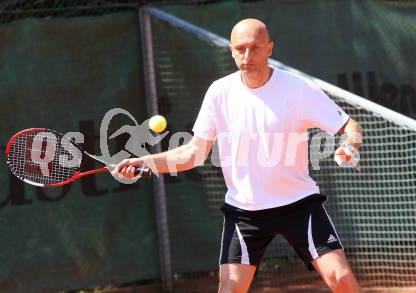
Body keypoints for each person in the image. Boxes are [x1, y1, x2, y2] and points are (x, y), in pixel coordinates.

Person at [113, 18, 363, 293]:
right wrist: (143, 163)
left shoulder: (297, 89)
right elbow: (193, 154)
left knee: (340, 278)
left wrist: (349, 147)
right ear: (231, 50)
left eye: (255, 48)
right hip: (245, 213)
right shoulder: (219, 93)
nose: (247, 56)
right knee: (230, 289)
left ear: (270, 48)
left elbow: (350, 127)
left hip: (299, 205)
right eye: (240, 48)